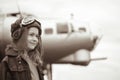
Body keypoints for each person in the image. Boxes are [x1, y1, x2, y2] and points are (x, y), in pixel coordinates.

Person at [0, 16, 44, 80]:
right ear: (18, 36)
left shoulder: (36, 62)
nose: (35, 39)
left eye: (37, 36)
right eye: (31, 35)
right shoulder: (7, 62)